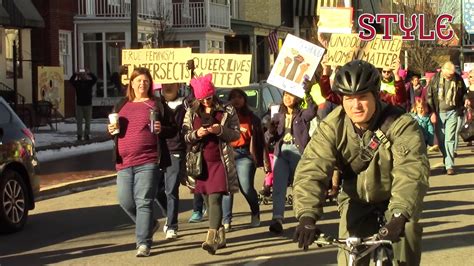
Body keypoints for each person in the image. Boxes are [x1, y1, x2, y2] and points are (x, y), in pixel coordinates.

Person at [292, 60, 429, 265]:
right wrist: (306, 215)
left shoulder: (401, 124)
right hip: (355, 199)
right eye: (349, 98)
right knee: (349, 258)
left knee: (407, 232)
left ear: (375, 94)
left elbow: (411, 171)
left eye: (362, 97)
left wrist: (401, 213)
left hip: (393, 197)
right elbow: (312, 168)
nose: (355, 105)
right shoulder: (332, 125)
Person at [107, 67, 177, 257]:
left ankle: (143, 243)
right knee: (125, 201)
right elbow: (114, 129)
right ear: (131, 83)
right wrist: (111, 129)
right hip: (124, 161)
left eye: (146, 81)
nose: (142, 84)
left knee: (143, 201)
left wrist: (162, 128)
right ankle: (151, 224)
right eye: (138, 81)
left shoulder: (157, 104)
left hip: (149, 160)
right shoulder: (122, 105)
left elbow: (173, 128)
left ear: (150, 84)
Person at [182, 73, 240, 255]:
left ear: (213, 94)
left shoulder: (227, 110)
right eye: (201, 99)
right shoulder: (191, 112)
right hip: (200, 163)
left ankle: (211, 238)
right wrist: (197, 134)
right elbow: (185, 135)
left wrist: (220, 130)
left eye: (208, 98)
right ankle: (221, 236)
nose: (206, 102)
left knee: (215, 199)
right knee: (208, 200)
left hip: (220, 161)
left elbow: (236, 134)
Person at [265, 80, 317, 234]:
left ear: (297, 98)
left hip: (298, 153)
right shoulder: (277, 116)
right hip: (281, 153)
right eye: (286, 95)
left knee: (299, 186)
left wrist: (308, 93)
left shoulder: (302, 114)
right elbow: (268, 138)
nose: (288, 98)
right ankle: (277, 219)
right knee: (279, 187)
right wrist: (271, 131)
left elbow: (313, 110)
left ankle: (303, 217)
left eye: (291, 95)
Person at [221, 88, 271, 232]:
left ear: (244, 100)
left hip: (245, 155)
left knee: (246, 187)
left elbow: (260, 141)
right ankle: (226, 220)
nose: (236, 100)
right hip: (227, 154)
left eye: (239, 97)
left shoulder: (252, 118)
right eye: (233, 97)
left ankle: (255, 212)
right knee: (227, 189)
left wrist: (265, 162)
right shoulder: (224, 116)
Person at [154, 83, 187, 239]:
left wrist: (192, 73)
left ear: (178, 86)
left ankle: (172, 225)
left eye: (172, 84)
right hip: (157, 151)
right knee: (156, 190)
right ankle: (169, 214)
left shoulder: (185, 104)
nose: (168, 87)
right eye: (165, 83)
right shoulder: (154, 104)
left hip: (175, 150)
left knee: (171, 189)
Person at [427, 61, 469, 175]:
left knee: (449, 139)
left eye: (452, 75)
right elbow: (429, 96)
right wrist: (432, 113)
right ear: (443, 70)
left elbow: (464, 92)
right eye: (449, 75)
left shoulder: (458, 79)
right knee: (441, 140)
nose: (451, 77)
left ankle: (449, 165)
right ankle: (446, 161)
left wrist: (466, 99)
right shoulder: (435, 80)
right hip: (439, 113)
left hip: (453, 112)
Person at [69, 68, 97, 141]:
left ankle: (87, 134)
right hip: (79, 105)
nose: (83, 75)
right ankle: (79, 135)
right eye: (81, 74)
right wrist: (75, 74)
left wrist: (89, 73)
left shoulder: (89, 82)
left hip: (88, 104)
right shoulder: (77, 83)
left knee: (88, 121)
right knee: (79, 121)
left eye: (84, 74)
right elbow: (71, 81)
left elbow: (95, 79)